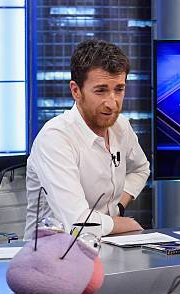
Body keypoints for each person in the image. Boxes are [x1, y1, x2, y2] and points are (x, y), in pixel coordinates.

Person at [24, 40, 150, 239]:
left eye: (119, 89)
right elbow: (77, 223)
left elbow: (141, 169)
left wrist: (117, 207)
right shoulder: (55, 138)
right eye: (100, 90)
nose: (112, 103)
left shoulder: (120, 126)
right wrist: (122, 223)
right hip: (53, 255)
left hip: (107, 245)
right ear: (76, 91)